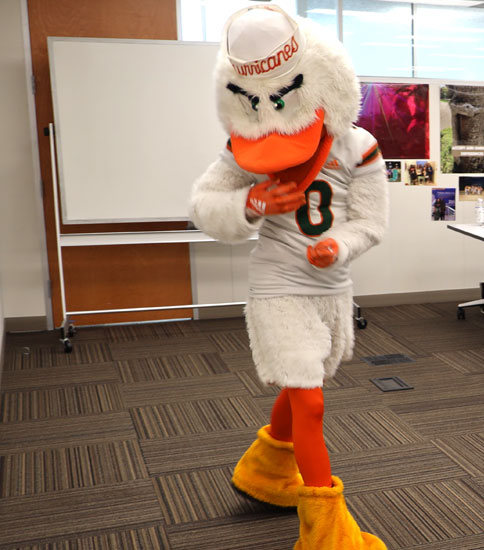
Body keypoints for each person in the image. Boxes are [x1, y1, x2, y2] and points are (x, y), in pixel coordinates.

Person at [191, 6, 387, 545]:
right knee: (311, 400)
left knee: (309, 385)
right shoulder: (249, 145)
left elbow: (371, 222)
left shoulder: (359, 146)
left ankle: (265, 471)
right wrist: (252, 200)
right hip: (276, 286)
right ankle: (326, 531)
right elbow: (204, 202)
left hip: (331, 289)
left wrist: (337, 245)